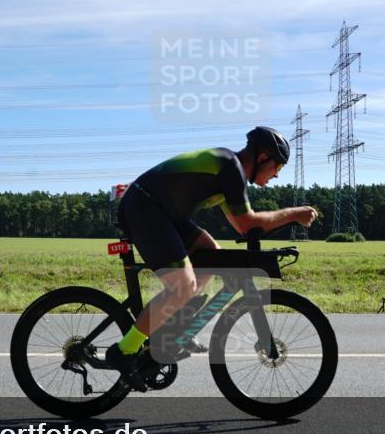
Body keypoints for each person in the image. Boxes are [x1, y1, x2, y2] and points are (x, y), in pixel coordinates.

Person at [106, 126, 318, 391]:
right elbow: (248, 222)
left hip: (162, 212)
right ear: (263, 157)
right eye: (277, 167)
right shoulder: (230, 166)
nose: (276, 175)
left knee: (212, 256)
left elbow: (243, 226)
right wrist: (293, 213)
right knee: (182, 286)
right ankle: (123, 351)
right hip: (145, 207)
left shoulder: (230, 171)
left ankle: (172, 331)